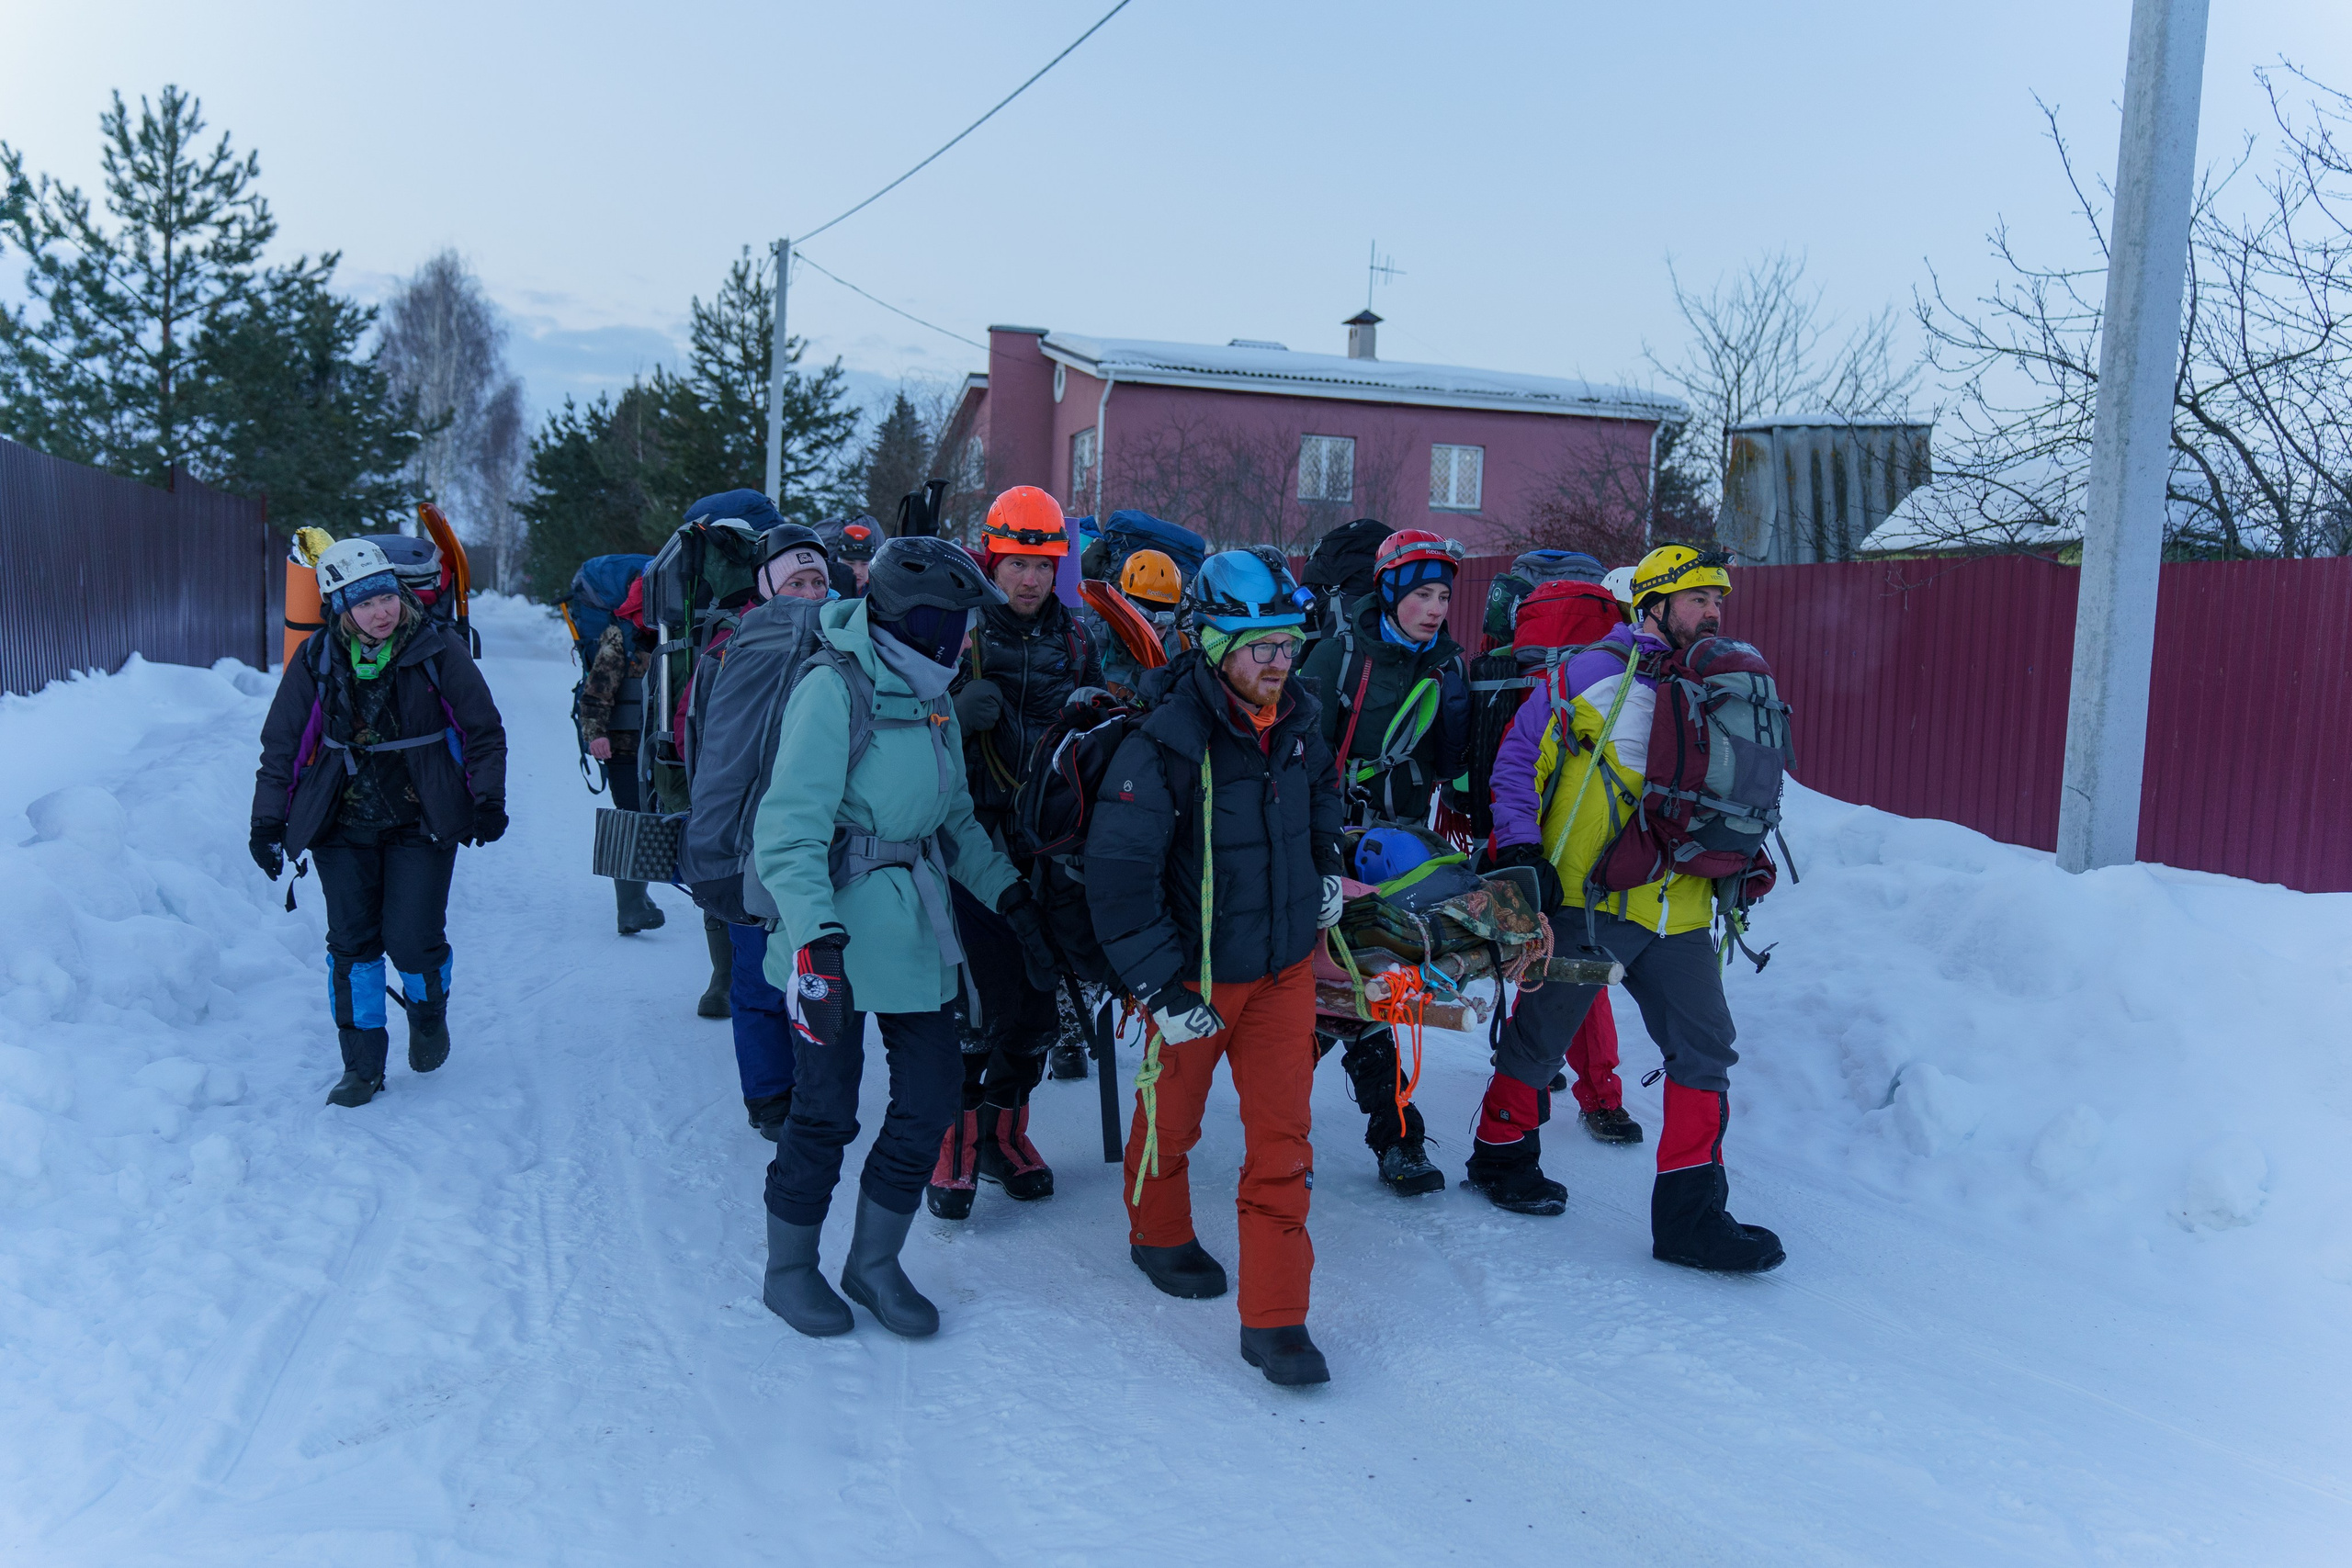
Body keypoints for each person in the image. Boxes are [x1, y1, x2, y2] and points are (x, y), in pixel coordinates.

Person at [752, 536, 1049, 1339]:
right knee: (823, 1111)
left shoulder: (934, 696)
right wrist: (817, 941)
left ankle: (873, 1262)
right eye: (949, 620)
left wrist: (1012, 899)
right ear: (913, 618)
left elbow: (952, 821)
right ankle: (789, 1269)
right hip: (833, 939)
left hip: (915, 932)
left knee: (928, 1099)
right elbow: (787, 833)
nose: (958, 637)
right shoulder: (834, 687)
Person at [1475, 544, 1785, 1272]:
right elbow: (1520, 761)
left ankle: (1691, 1217)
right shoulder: (1590, 672)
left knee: (1706, 1047)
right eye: (1696, 599)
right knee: (1544, 1034)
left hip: (1682, 907)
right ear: (1651, 605)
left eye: (1718, 599)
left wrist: (1745, 857)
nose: (1712, 611)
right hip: (1589, 895)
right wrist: (1521, 854)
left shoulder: (1721, 686)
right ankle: (1500, 1153)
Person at [1085, 550, 1345, 1387]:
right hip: (1193, 976)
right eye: (1259, 645)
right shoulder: (1164, 740)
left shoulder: (1301, 717)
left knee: (1284, 1140)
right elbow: (1119, 879)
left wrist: (1325, 867)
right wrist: (1160, 990)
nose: (1279, 660)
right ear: (1211, 644)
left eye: (1287, 643)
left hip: (1280, 970)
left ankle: (1276, 1319)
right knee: (1173, 1116)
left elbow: (1322, 800)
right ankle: (1156, 1232)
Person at [251, 537, 508, 1107]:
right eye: (364, 604)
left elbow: (482, 731)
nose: (381, 612)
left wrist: (487, 801)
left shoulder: (437, 649)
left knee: (412, 942)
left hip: (423, 818)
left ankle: (427, 1010)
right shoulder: (318, 658)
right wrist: (267, 823)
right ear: (341, 609)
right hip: (342, 822)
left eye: (386, 597)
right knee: (352, 946)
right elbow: (284, 746)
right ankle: (362, 1066)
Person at [927, 485, 1107, 1219]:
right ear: (992, 559)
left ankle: (1004, 1135)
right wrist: (950, 715)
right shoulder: (953, 634)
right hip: (970, 844)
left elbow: (1097, 733)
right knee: (977, 1001)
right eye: (1016, 563)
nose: (1029, 579)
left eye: (1044, 563)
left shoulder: (1076, 639)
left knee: (1038, 1002)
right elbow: (895, 725)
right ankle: (956, 1145)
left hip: (1052, 849)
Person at [1295, 529, 1471, 1195]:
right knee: (1331, 994)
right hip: (1329, 845)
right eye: (1421, 593)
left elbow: (1447, 763)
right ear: (1392, 590)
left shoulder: (1445, 666)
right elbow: (1295, 750)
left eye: (1443, 596)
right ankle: (1389, 1136)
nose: (1433, 608)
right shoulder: (1338, 657)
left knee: (1370, 991)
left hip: (1400, 849)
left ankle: (1379, 1134)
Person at [693, 525, 836, 1142]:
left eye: (817, 582)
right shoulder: (730, 649)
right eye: (794, 582)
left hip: (816, 837)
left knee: (812, 970)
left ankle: (815, 1087)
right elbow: (698, 737)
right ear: (766, 588)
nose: (807, 593)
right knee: (754, 979)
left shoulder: (844, 647)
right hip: (741, 836)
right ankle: (769, 1095)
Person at [578, 575, 664, 935]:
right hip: (625, 747)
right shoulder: (619, 635)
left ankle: (637, 898)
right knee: (633, 819)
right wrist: (595, 734)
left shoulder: (671, 633)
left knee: (648, 818)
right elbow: (597, 690)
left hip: (660, 746)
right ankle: (629, 908)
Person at [815, 514, 880, 597]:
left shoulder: (880, 588)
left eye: (864, 564)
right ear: (839, 560)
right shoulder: (822, 586)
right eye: (850, 563)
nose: (857, 571)